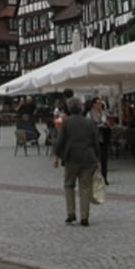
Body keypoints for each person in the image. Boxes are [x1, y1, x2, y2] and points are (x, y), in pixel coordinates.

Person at [52, 97, 99, 227]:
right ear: (81, 108)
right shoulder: (90, 123)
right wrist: (97, 158)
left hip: (71, 157)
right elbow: (95, 142)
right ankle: (85, 217)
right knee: (85, 187)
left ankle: (71, 213)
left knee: (69, 185)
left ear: (70, 108)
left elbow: (60, 141)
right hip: (88, 158)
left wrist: (56, 156)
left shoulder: (66, 123)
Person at [87, 97, 110, 184]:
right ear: (94, 104)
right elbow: (88, 127)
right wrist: (98, 126)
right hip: (94, 139)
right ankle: (93, 177)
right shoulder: (90, 114)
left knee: (104, 158)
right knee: (95, 159)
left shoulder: (104, 113)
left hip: (104, 138)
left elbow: (106, 122)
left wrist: (106, 124)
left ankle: (104, 176)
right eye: (98, 103)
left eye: (101, 103)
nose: (100, 105)